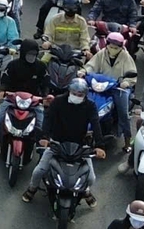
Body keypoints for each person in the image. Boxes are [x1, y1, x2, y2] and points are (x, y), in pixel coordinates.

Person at [24, 78, 104, 206]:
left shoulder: (90, 105)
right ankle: (32, 188)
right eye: (74, 93)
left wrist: (100, 146)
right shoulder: (58, 101)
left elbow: (95, 123)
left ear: (85, 95)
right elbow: (48, 119)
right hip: (57, 143)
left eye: (80, 95)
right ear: (69, 91)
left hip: (79, 145)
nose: (77, 96)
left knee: (91, 178)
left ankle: (85, 190)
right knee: (39, 170)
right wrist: (45, 137)